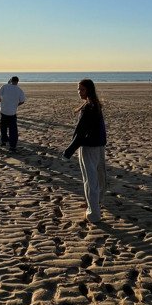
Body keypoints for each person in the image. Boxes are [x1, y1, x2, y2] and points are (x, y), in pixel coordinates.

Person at [62, 79, 107, 223]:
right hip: (98, 145)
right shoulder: (94, 105)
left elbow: (80, 132)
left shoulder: (89, 107)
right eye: (78, 89)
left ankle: (94, 214)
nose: (79, 92)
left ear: (88, 90)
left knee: (90, 180)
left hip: (90, 147)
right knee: (97, 178)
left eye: (81, 89)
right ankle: (93, 204)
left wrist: (69, 150)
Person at [0, 76, 26, 152]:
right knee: (13, 130)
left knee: (3, 127)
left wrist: (2, 102)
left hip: (4, 111)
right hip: (12, 112)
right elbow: (22, 101)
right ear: (17, 82)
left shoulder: (4, 86)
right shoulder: (19, 90)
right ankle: (12, 147)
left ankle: (4, 140)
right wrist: (16, 105)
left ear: (11, 80)